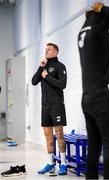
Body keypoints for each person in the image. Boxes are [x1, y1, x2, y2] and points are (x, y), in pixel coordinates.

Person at [78, 2, 109, 179]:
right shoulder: (97, 31)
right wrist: (100, 8)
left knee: (94, 144)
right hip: (100, 96)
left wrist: (91, 14)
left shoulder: (83, 33)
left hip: (86, 98)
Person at [32, 43, 67, 175]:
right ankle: (50, 163)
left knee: (59, 135)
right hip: (45, 107)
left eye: (49, 49)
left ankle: (63, 164)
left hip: (57, 105)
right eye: (45, 49)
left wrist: (47, 76)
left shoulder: (60, 66)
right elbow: (34, 81)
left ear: (56, 52)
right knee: (48, 137)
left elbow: (63, 84)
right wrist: (41, 68)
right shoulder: (43, 66)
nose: (46, 51)